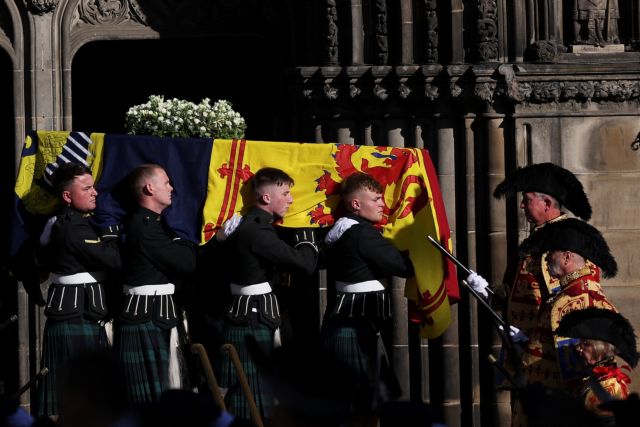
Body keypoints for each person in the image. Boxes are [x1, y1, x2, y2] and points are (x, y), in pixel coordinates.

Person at [216, 167, 318, 421]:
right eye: (285, 193)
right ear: (266, 198)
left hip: (251, 311)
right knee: (253, 391)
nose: (291, 200)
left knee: (251, 387)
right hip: (254, 315)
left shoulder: (248, 225)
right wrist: (306, 234)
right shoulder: (257, 231)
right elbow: (304, 263)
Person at [321, 172, 414, 424]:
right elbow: (402, 266)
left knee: (349, 399)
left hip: (344, 320)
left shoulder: (339, 231)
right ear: (355, 204)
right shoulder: (363, 234)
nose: (382, 204)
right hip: (358, 324)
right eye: (376, 199)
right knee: (363, 402)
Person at [34, 162, 122, 417]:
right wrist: (110, 234)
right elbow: (113, 261)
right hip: (77, 312)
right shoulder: (73, 226)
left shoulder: (71, 222)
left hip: (80, 310)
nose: (95, 192)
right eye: (87, 188)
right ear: (67, 196)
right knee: (84, 393)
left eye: (93, 186)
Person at [515, 218, 619, 425]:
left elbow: (580, 368)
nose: (545, 260)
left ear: (566, 258)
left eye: (551, 253)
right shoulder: (566, 294)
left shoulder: (582, 297)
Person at [113, 163, 197, 405]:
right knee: (153, 397)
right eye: (166, 182)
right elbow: (187, 263)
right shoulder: (145, 226)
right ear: (150, 188)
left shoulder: (154, 224)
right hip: (148, 316)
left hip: (157, 314)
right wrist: (185, 234)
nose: (172, 188)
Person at [555, 307, 638, 422]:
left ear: (601, 349)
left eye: (586, 344)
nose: (578, 348)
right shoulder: (595, 377)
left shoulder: (609, 387)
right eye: (580, 342)